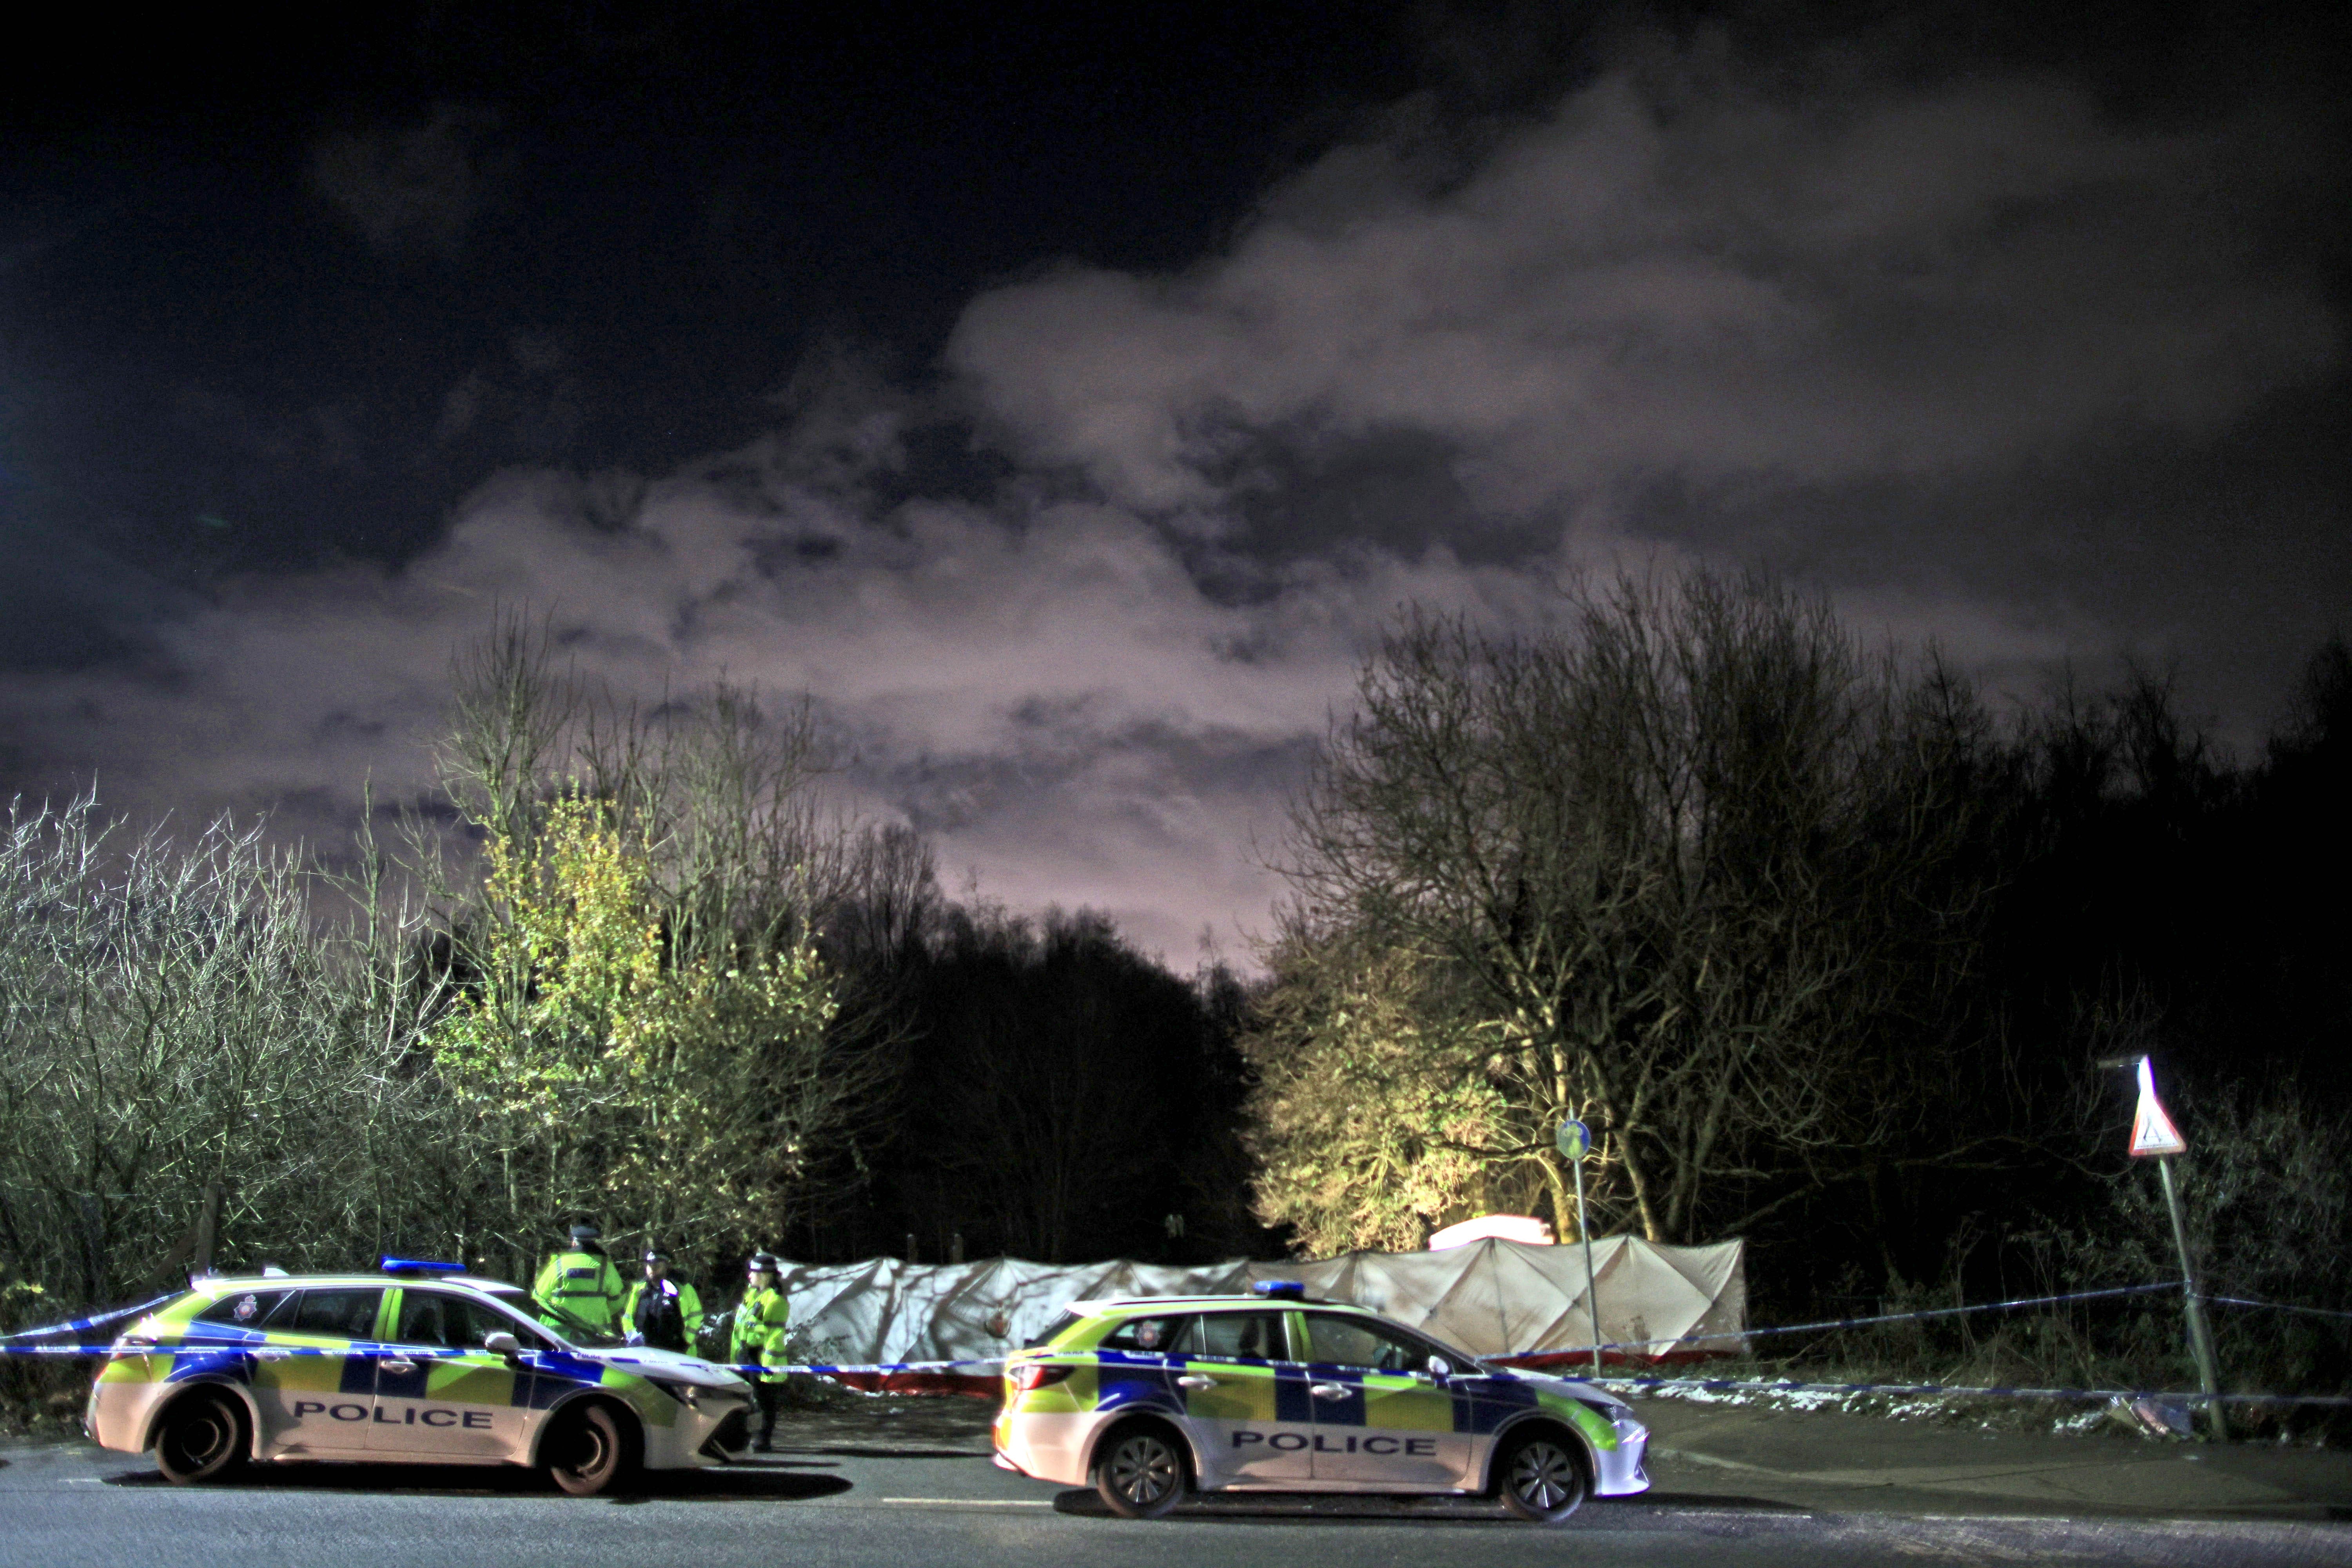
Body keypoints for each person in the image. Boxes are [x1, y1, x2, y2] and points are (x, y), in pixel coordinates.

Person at [728, 1251, 793, 1452]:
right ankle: (742, 1436)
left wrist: (769, 1367)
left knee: (764, 1400)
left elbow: (774, 1337)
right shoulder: (752, 1295)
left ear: (764, 1275)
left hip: (761, 1357)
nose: (749, 1276)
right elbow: (740, 1328)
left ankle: (763, 1439)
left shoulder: (775, 1301)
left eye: (753, 1272)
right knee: (742, 1398)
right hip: (744, 1354)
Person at [531, 1222, 626, 1332]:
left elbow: (538, 1296)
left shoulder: (560, 1264)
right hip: (595, 1335)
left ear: (574, 1243)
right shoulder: (606, 1266)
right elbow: (618, 1301)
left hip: (559, 1334)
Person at [621, 1249, 705, 1352]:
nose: (652, 1270)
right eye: (649, 1266)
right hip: (644, 1352)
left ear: (667, 1266)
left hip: (677, 1352)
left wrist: (685, 1343)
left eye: (657, 1266)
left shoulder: (683, 1289)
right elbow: (627, 1317)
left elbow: (696, 1318)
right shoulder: (640, 1290)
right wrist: (632, 1336)